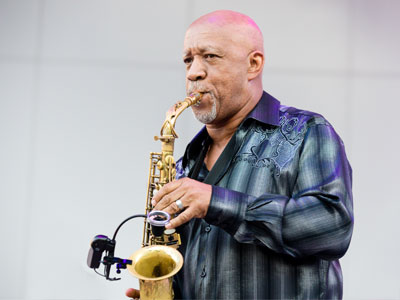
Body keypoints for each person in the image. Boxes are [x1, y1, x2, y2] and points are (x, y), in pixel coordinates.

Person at [127, 10, 353, 300]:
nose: (193, 72)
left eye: (209, 56)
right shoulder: (185, 166)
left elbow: (333, 227)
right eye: (188, 60)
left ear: (253, 64)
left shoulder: (306, 132)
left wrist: (215, 202)